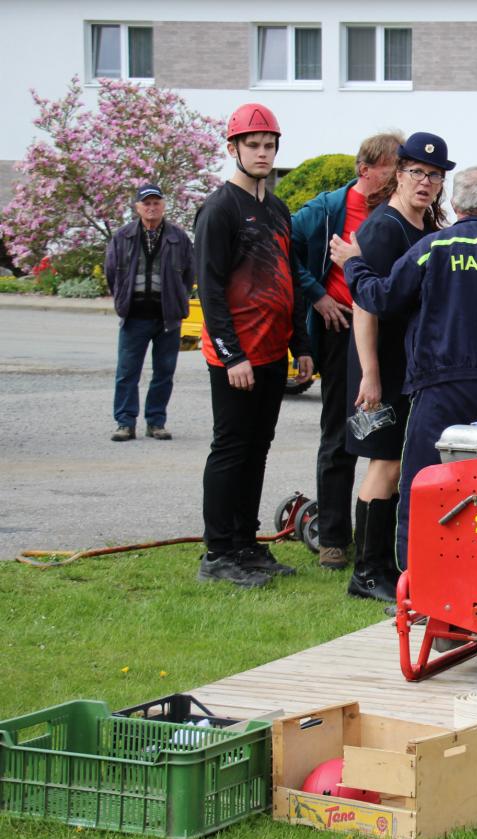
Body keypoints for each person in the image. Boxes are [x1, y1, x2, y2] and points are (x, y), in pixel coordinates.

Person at [344, 166, 477, 572]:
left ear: (453, 203)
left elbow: (383, 298)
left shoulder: (433, 248)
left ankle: (419, 580)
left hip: (441, 387)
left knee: (426, 485)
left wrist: (354, 264)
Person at [327, 132, 453, 601]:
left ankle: (385, 563)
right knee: (384, 462)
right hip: (382, 365)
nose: (426, 182)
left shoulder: (423, 226)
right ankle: (366, 573)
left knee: (400, 463)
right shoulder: (385, 227)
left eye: (435, 175)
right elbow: (364, 303)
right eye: (417, 172)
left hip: (410, 366)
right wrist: (370, 373)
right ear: (398, 174)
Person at [194, 103, 312, 588]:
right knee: (230, 449)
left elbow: (290, 280)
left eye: (269, 145)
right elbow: (209, 288)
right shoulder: (219, 209)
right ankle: (218, 554)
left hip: (271, 353)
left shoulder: (277, 210)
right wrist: (232, 355)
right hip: (235, 356)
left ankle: (245, 543)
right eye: (253, 145)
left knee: (257, 449)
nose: (263, 153)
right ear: (233, 149)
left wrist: (302, 344)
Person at [291, 132, 402, 571]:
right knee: (340, 433)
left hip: (388, 335)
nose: (400, 179)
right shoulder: (326, 209)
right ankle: (334, 538)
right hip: (341, 331)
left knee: (388, 437)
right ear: (365, 170)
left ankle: (380, 537)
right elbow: (285, 247)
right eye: (393, 171)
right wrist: (317, 294)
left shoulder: (397, 210)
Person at [105, 182, 194, 441]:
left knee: (164, 373)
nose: (151, 207)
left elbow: (189, 273)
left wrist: (177, 298)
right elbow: (111, 272)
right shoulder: (123, 236)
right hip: (134, 316)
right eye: (147, 203)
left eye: (156, 203)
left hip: (168, 317)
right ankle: (125, 423)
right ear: (137, 207)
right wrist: (122, 299)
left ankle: (156, 422)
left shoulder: (178, 237)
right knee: (127, 373)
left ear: (163, 206)